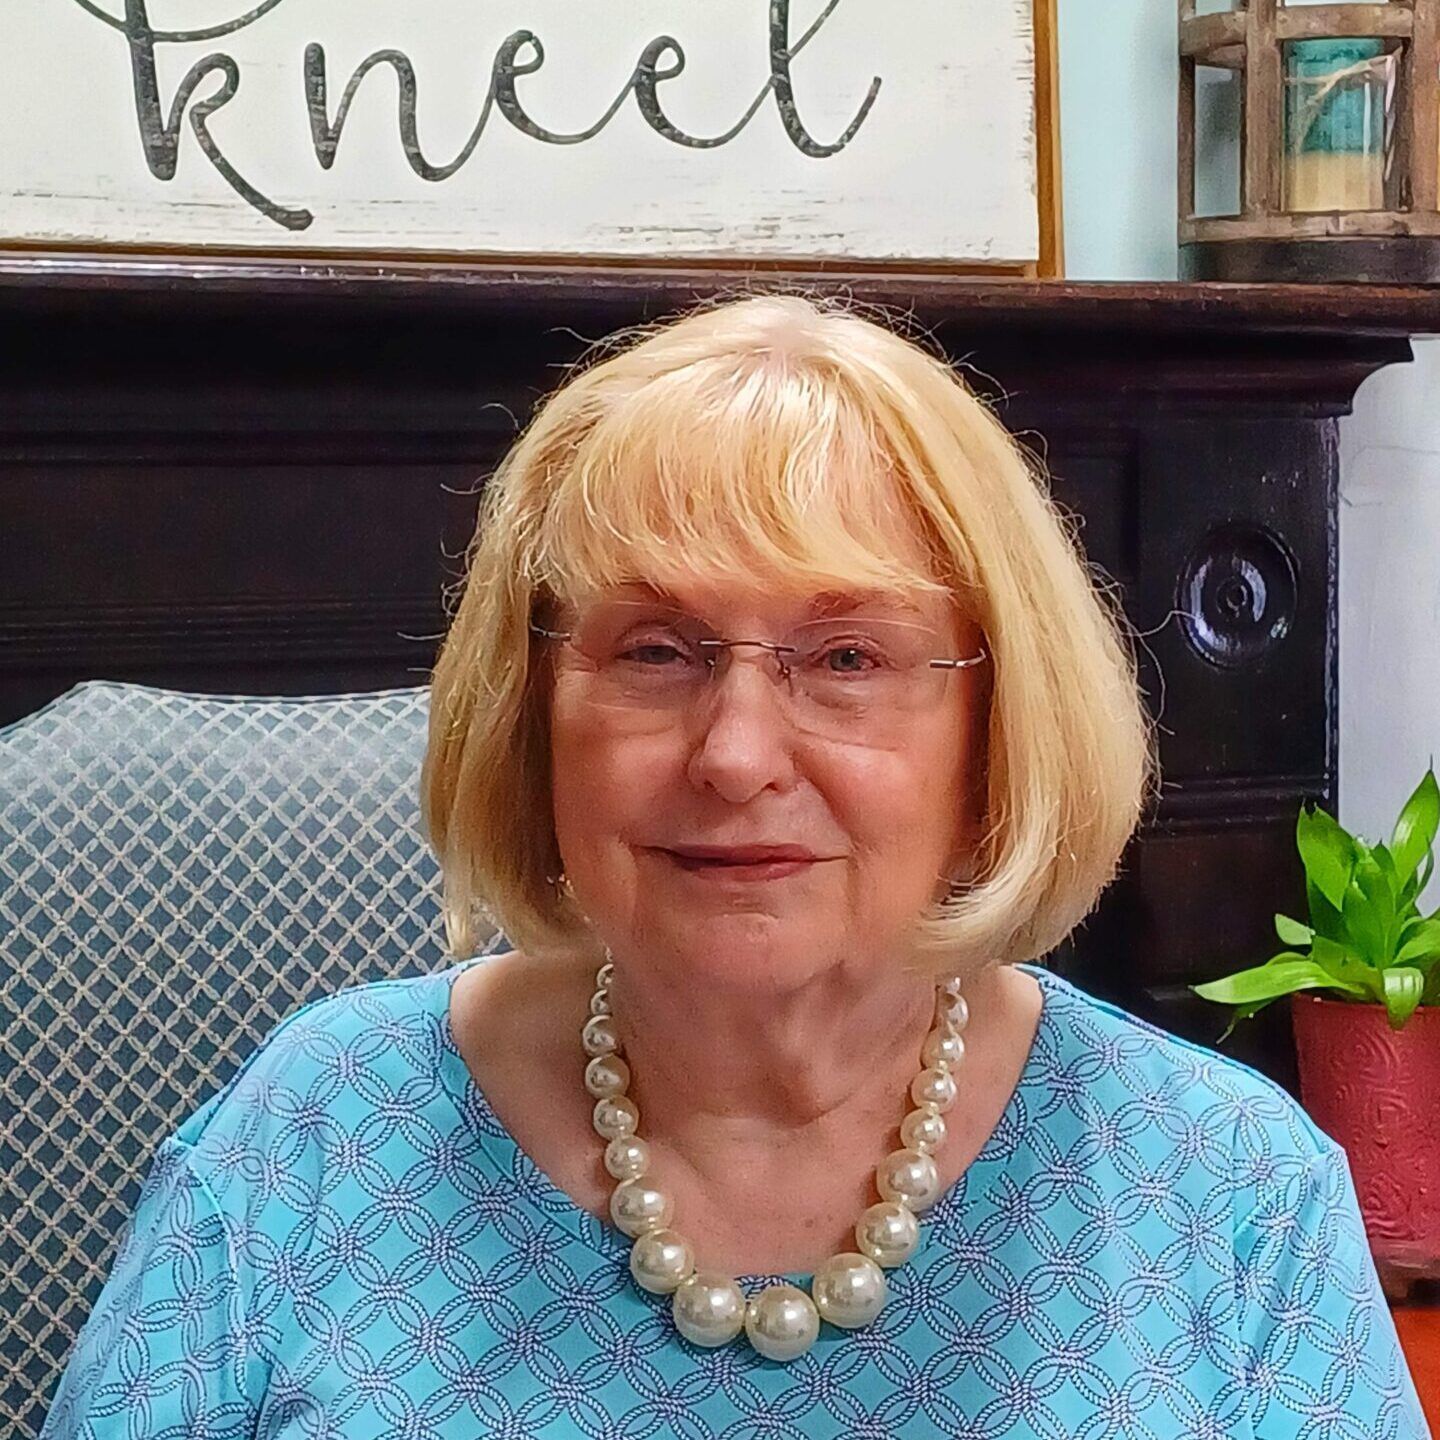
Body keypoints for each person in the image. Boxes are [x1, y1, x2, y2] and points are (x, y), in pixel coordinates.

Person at [41, 293, 1428, 1438]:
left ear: (995, 729)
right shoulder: (309, 1139)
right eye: (656, 650)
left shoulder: (1229, 1196)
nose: (736, 753)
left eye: (847, 658)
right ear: (533, 716)